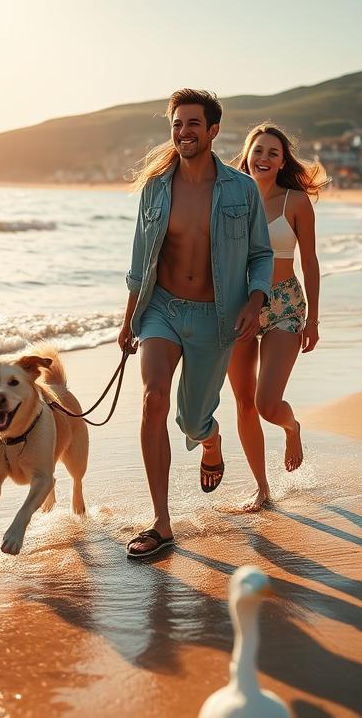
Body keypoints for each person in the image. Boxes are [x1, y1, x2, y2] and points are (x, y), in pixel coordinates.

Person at [118, 89, 273, 558]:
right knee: (153, 400)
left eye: (192, 124)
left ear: (212, 131)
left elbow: (261, 254)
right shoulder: (155, 187)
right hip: (161, 309)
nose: (183, 132)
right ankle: (161, 523)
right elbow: (140, 261)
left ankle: (210, 439)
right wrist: (129, 320)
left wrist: (255, 299)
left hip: (215, 317)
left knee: (190, 419)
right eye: (176, 124)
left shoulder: (240, 190)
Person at [228, 124, 327, 511]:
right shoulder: (232, 198)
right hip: (240, 306)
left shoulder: (296, 202)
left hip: (285, 304)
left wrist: (314, 320)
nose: (264, 158)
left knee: (268, 404)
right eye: (258, 151)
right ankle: (261, 487)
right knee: (243, 402)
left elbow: (310, 261)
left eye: (273, 152)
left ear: (283, 160)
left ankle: (292, 427)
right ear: (247, 155)